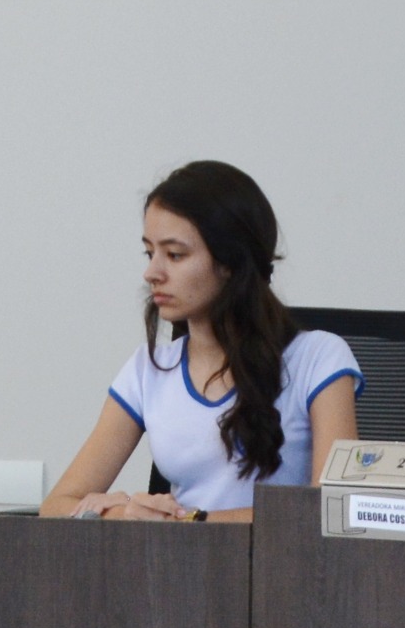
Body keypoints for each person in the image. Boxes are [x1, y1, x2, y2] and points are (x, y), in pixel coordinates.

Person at [47, 162, 360, 522]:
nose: (152, 273)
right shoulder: (147, 369)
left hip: (279, 557)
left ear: (230, 261)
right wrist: (125, 514)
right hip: (175, 555)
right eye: (150, 253)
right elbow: (56, 506)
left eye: (175, 255)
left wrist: (189, 522)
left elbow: (334, 510)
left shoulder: (319, 358)